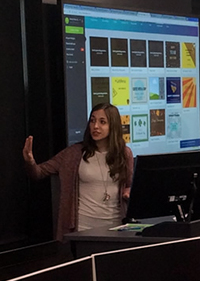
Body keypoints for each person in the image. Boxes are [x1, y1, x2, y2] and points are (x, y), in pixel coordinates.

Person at [22, 103, 134, 241]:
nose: (96, 126)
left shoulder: (125, 154)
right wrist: (30, 161)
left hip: (115, 226)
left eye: (102, 122)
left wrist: (128, 192)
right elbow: (38, 173)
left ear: (113, 126)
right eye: (92, 121)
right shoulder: (74, 153)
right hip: (83, 227)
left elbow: (129, 186)